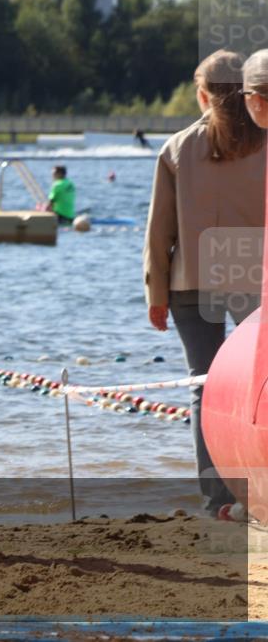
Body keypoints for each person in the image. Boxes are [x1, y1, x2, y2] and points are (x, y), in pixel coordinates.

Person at [144, 50, 266, 517]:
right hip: (255, 281)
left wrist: (155, 294)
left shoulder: (175, 148)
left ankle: (217, 500)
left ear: (202, 95)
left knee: (203, 386)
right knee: (263, 386)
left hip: (190, 281)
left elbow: (159, 232)